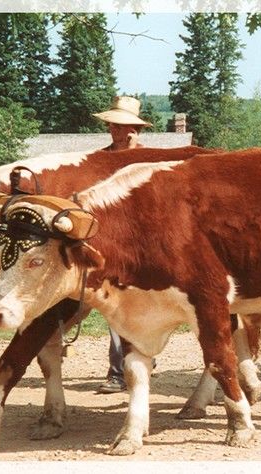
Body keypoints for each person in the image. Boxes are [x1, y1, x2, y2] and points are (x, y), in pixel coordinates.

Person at [92, 96, 151, 393]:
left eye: (125, 126)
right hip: (111, 241)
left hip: (143, 240)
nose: (119, 131)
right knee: (113, 302)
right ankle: (118, 371)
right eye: (114, 125)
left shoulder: (150, 159)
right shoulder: (98, 160)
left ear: (135, 129)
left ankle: (142, 360)